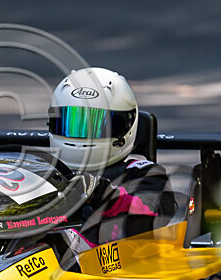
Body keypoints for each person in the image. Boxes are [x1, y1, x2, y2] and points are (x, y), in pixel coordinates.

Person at [47, 67, 176, 247]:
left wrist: (102, 193)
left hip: (105, 264)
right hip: (34, 257)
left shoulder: (143, 175)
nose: (81, 135)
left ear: (125, 126)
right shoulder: (48, 172)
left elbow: (153, 214)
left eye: (97, 125)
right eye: (71, 123)